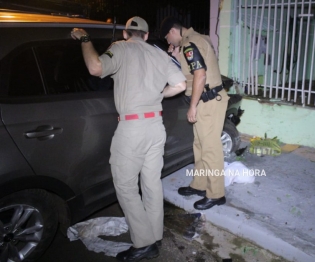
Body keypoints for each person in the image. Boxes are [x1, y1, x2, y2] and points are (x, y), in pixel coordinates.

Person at [71, 16, 186, 261]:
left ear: (125, 34)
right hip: (155, 125)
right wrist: (158, 94)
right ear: (145, 35)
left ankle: (143, 243)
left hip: (132, 128)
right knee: (152, 184)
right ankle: (154, 236)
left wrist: (84, 39)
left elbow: (95, 67)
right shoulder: (159, 54)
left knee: (125, 186)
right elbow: (180, 85)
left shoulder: (119, 48)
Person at [160, 17, 229, 210]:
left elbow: (200, 74)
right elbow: (191, 70)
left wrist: (193, 105)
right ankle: (199, 185)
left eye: (167, 37)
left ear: (173, 32)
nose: (168, 42)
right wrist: (175, 55)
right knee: (199, 146)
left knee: (210, 149)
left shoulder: (190, 44)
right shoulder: (197, 39)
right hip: (207, 99)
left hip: (207, 101)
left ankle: (216, 194)